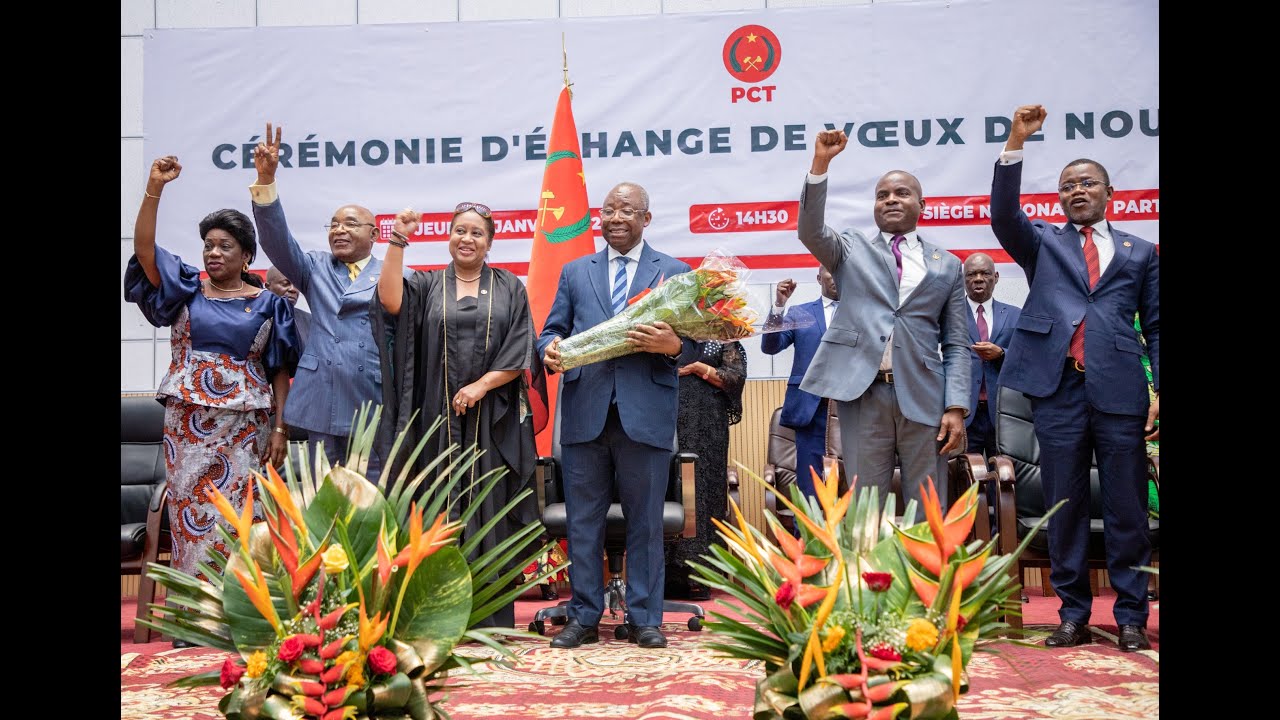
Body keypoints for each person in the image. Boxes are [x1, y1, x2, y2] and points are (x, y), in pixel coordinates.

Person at [990, 104, 1159, 653]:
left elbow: (1156, 325)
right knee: (1064, 505)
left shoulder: (1141, 252)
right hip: (1057, 389)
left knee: (1127, 506)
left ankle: (1131, 617)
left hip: (1120, 390)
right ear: (1059, 199)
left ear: (1109, 193)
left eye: (1086, 183)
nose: (1076, 191)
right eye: (1067, 186)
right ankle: (1073, 615)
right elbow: (1003, 216)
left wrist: (1158, 391)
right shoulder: (1043, 242)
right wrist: (1015, 142)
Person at [124, 156, 300, 647]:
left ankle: (244, 618)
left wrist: (281, 428)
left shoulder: (270, 304)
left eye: (225, 246)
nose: (214, 253)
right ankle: (194, 622)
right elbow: (144, 251)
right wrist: (154, 188)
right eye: (208, 245)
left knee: (244, 519)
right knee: (191, 521)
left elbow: (279, 370)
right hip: (187, 428)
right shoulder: (185, 291)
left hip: (247, 430)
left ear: (247, 256)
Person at [537, 182, 699, 650]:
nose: (615, 218)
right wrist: (548, 349)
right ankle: (583, 617)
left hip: (644, 416)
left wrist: (673, 345)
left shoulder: (674, 272)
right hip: (585, 414)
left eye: (626, 210)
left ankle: (646, 618)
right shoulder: (575, 271)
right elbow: (551, 330)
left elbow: (692, 342)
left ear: (646, 219)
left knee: (646, 523)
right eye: (608, 210)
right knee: (582, 524)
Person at [373, 202, 539, 629]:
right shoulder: (427, 284)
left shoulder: (509, 286)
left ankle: (490, 619)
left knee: (490, 506)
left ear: (490, 242)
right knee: (437, 504)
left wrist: (481, 385)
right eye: (460, 231)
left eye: (477, 233)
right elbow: (389, 301)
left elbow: (521, 347)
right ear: (449, 237)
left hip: (492, 421)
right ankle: (435, 616)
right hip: (436, 419)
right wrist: (398, 239)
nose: (467, 239)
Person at [796, 130, 970, 519]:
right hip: (864, 394)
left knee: (927, 507)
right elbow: (810, 230)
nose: (890, 199)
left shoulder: (948, 264)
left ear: (922, 205)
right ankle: (868, 564)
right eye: (882, 195)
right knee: (865, 509)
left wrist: (956, 405)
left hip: (925, 395)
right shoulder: (850, 248)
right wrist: (821, 164)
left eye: (902, 193)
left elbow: (957, 343)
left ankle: (924, 564)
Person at [249, 124, 389, 481]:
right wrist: (266, 181)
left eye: (350, 224)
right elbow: (277, 241)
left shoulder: (393, 274)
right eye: (333, 224)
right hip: (323, 399)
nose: (339, 230)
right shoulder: (314, 267)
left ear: (374, 234)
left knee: (372, 496)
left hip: (370, 399)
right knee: (323, 497)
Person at [665, 339, 747, 600]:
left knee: (703, 492)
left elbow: (735, 378)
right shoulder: (667, 326)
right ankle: (666, 573)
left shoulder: (721, 331)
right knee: (667, 489)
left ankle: (700, 573)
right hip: (665, 418)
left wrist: (699, 368)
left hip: (707, 423)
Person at [760, 267, 839, 499]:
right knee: (810, 486)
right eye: (830, 272)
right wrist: (779, 306)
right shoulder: (800, 313)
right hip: (811, 411)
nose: (836, 277)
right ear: (819, 278)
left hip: (853, 408)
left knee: (852, 484)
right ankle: (807, 525)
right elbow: (770, 346)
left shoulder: (860, 312)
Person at [962, 252, 1020, 457]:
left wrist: (1002, 354)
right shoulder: (949, 315)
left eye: (985, 273)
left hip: (1004, 413)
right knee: (966, 473)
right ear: (963, 279)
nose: (978, 279)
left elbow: (1027, 358)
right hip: (963, 414)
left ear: (996, 277)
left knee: (1004, 472)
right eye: (971, 274)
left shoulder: (1016, 315)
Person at [266, 266, 311, 349]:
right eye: (285, 284)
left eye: (296, 285)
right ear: (268, 287)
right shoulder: (256, 317)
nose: (293, 289)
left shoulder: (310, 320)